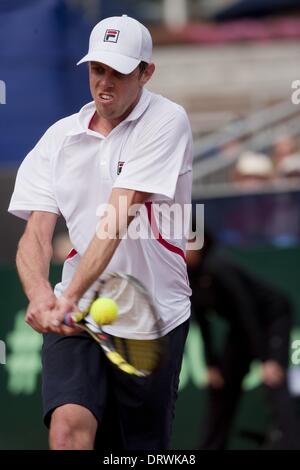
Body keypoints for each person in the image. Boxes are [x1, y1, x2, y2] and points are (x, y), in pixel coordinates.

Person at [8, 15, 193, 450]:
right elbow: (36, 234)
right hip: (80, 317)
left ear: (146, 73)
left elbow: (118, 215)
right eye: (97, 70)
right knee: (67, 429)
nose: (104, 83)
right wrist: (41, 296)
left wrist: (66, 301)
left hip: (154, 316)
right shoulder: (57, 139)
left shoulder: (167, 121)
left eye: (119, 72)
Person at [187, 231, 300, 450]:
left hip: (270, 318)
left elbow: (247, 309)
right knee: (222, 387)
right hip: (242, 327)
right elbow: (202, 321)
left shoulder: (220, 267)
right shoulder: (190, 276)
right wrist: (212, 364)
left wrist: (266, 359)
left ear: (199, 243)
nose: (181, 249)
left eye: (186, 242)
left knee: (273, 379)